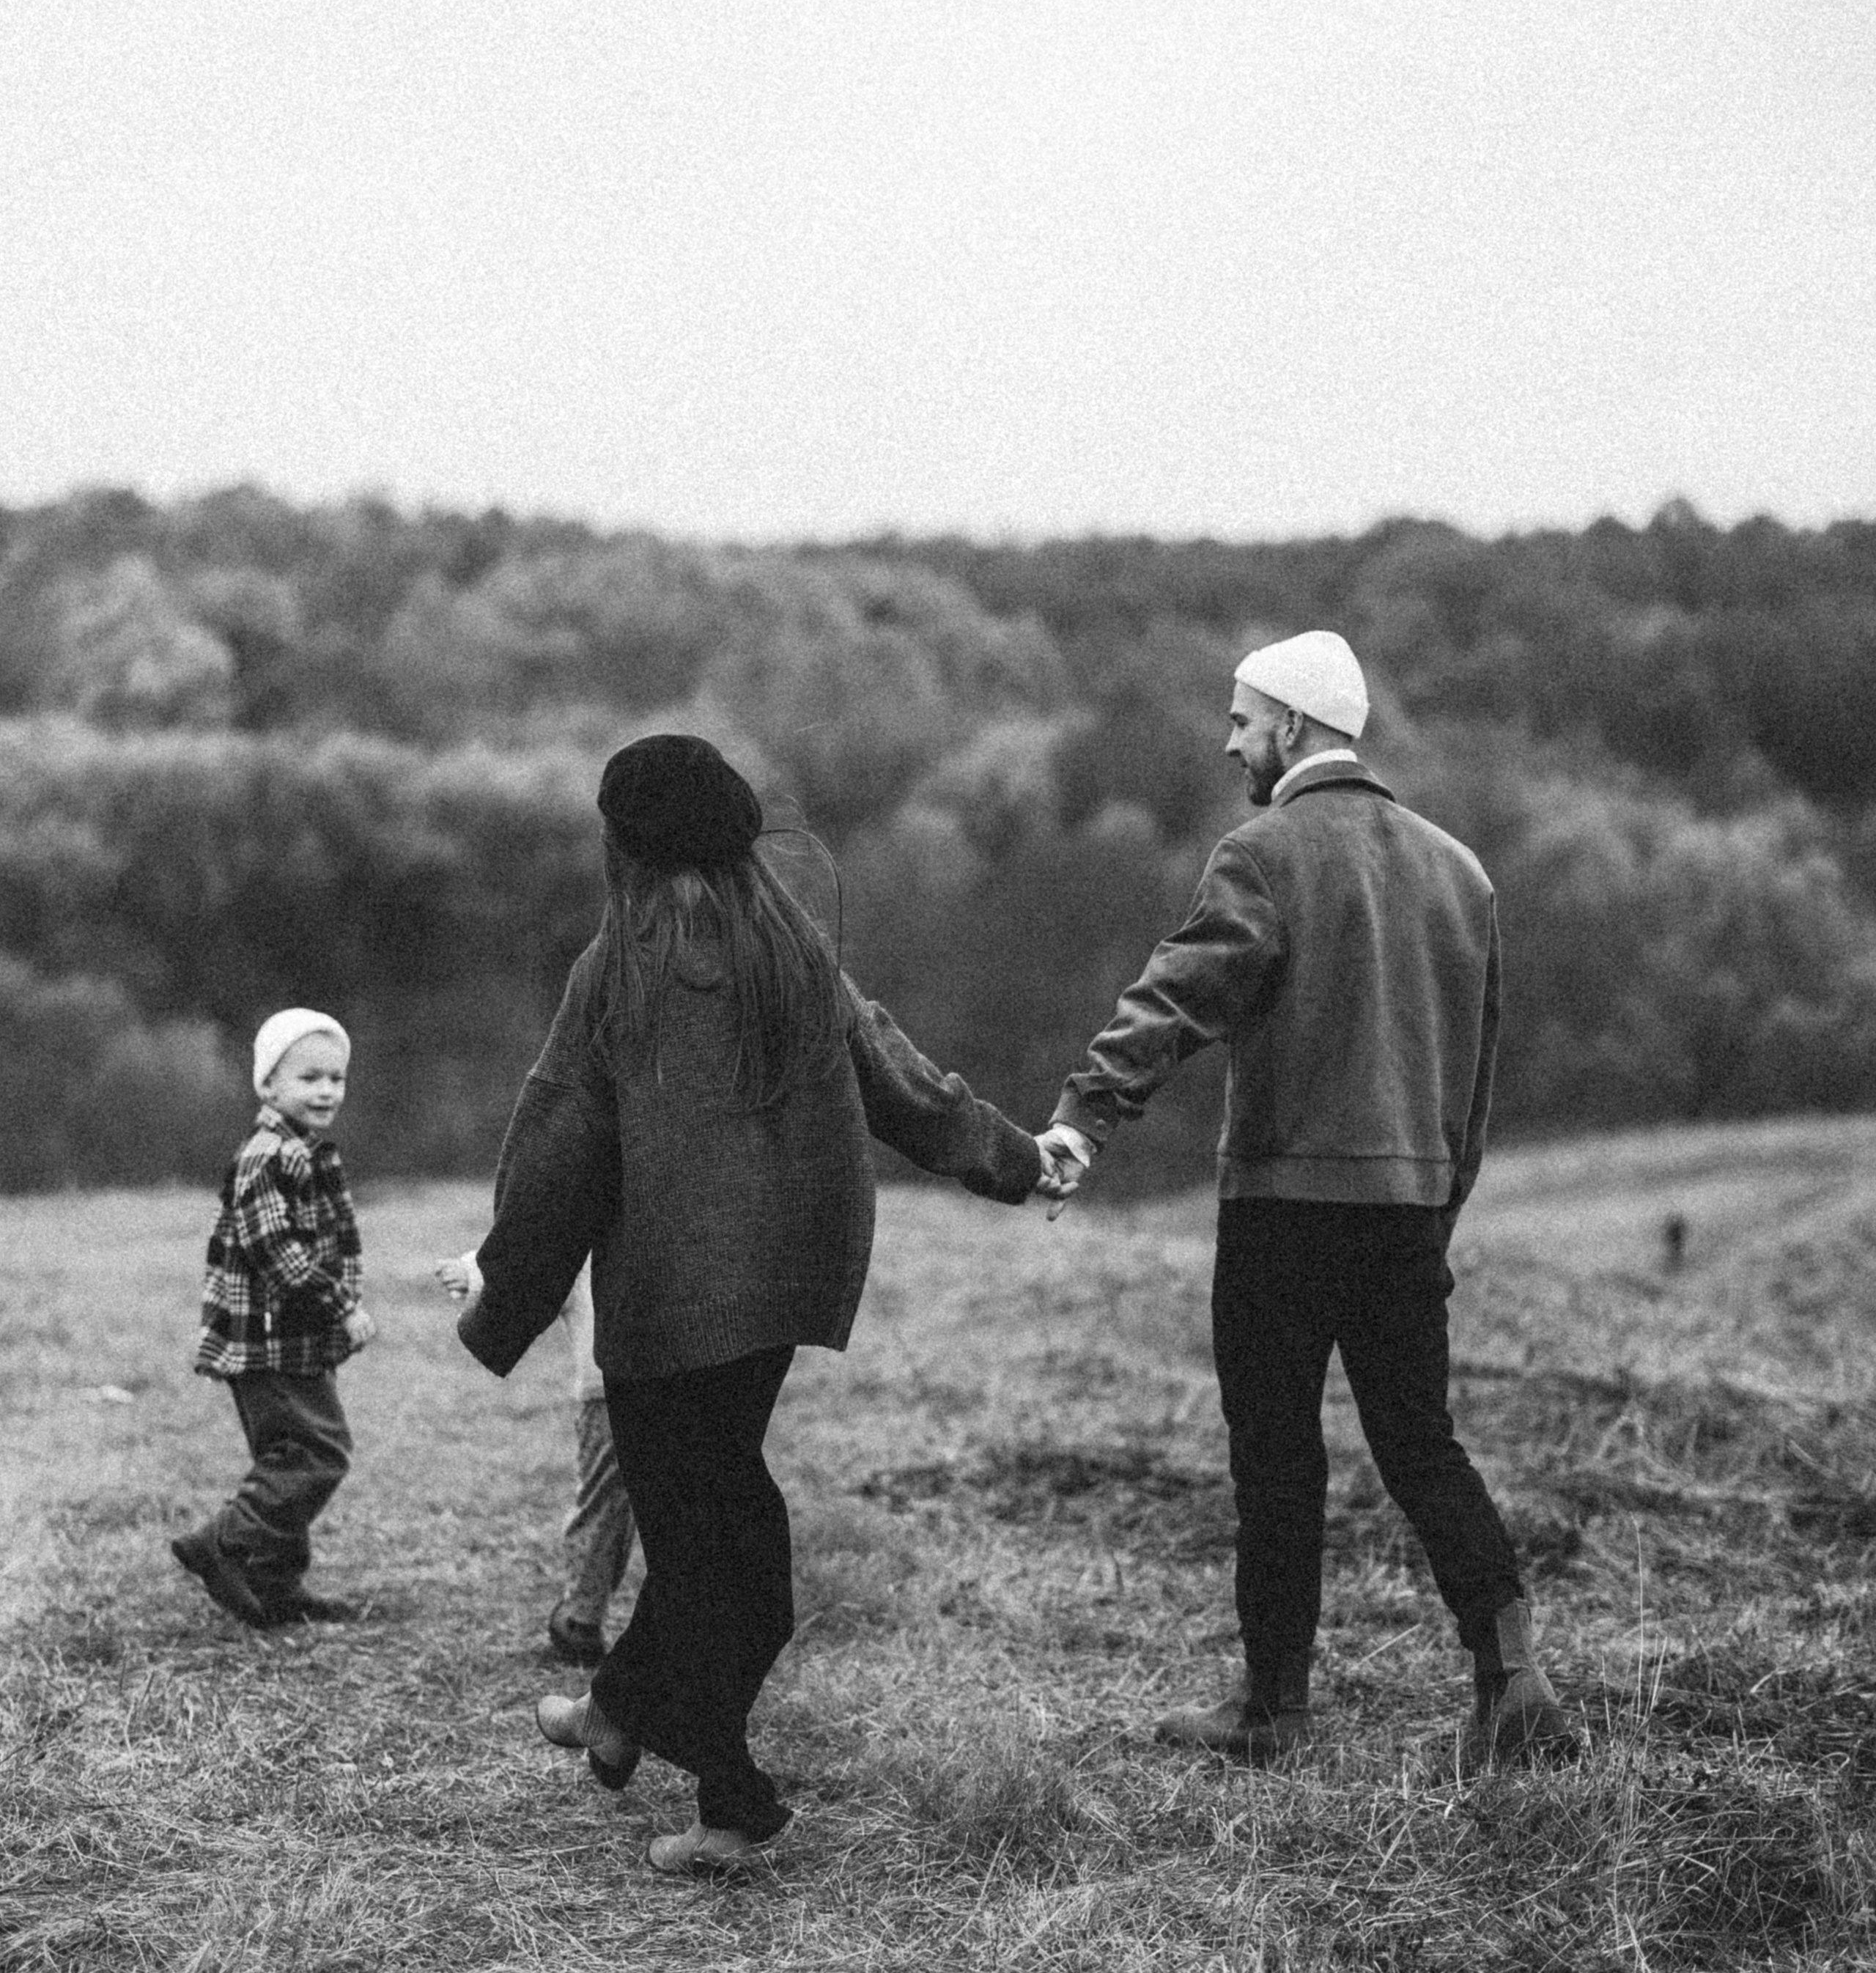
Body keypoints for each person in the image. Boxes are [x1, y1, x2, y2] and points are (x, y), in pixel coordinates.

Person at [454, 734, 1054, 1877]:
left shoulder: (618, 970)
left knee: (707, 1555)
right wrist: (1014, 1159)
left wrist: (502, 1300)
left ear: (626, 846)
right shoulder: (792, 950)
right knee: (716, 1520)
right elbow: (902, 1083)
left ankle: (731, 1803)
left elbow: (557, 1151)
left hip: (663, 1312)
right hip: (773, 1303)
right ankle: (618, 1711)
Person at [1038, 632, 1571, 1771]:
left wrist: (1085, 1114)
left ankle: (1273, 1708)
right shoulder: (1462, 873)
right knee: (1421, 1442)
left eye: (1243, 720)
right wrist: (1440, 1205)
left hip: (1283, 1207)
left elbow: (1176, 996)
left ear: (1292, 724)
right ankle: (1513, 1675)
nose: (1230, 741)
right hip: (1408, 1205)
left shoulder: (1263, 853)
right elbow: (1474, 1078)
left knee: (1277, 1456)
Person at [176, 1007, 374, 1629]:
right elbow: (278, 1253)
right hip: (268, 1344)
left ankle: (275, 1583)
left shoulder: (302, 1151)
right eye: (309, 1077)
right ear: (268, 1085)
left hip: (293, 1342)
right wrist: (343, 1305)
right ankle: (224, 1542)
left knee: (288, 1453)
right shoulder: (268, 1156)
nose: (326, 1090)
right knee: (317, 1452)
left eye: (336, 1078)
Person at [435, 1251, 637, 1665]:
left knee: (646, 1503)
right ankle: (580, 1619)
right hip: (607, 1394)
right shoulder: (584, 1247)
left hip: (671, 1385)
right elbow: (532, 1255)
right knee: (607, 1503)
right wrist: (476, 1272)